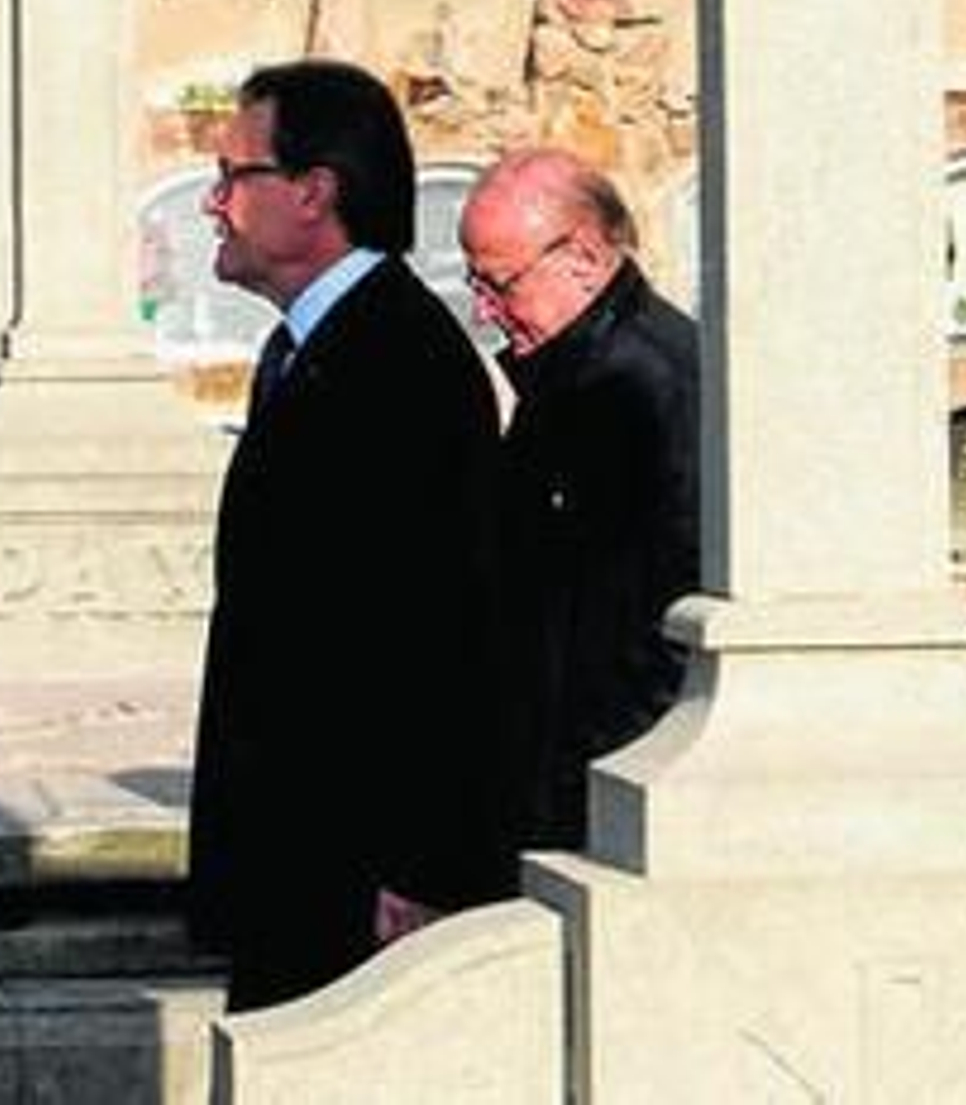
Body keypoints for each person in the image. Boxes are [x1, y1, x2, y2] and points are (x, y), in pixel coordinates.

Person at [186, 58, 508, 1014]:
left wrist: (420, 863)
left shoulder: (398, 364)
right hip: (296, 848)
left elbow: (439, 630)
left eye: (235, 176)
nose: (213, 205)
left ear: (313, 193)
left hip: (353, 872)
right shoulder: (310, 348)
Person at [460, 148, 700, 854]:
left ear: (586, 259)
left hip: (595, 794)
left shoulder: (642, 390)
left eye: (500, 284)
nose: (484, 310)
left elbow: (646, 628)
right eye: (475, 282)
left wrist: (580, 789)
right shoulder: (575, 374)